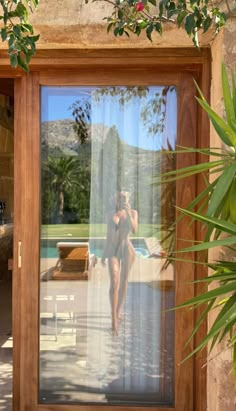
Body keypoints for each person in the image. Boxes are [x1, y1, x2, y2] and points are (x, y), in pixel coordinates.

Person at [101, 191, 138, 335]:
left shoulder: (133, 213)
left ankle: (119, 310)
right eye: (120, 198)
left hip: (127, 249)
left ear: (129, 200)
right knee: (114, 282)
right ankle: (114, 319)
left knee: (124, 281)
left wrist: (128, 212)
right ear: (116, 199)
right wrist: (104, 255)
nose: (123, 200)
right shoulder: (109, 214)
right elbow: (108, 237)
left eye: (125, 198)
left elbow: (134, 230)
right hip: (113, 251)